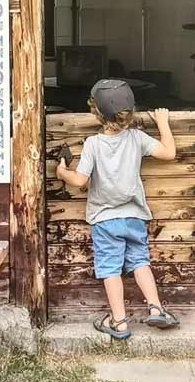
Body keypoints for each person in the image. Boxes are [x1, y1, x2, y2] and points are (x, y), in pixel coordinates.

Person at [55, 77, 179, 340]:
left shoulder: (93, 144)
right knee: (140, 262)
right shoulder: (137, 138)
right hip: (134, 216)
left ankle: (119, 322)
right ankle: (156, 308)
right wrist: (163, 124)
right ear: (131, 111)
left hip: (105, 220)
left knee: (111, 269)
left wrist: (61, 171)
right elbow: (169, 152)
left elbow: (80, 181)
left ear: (95, 112)